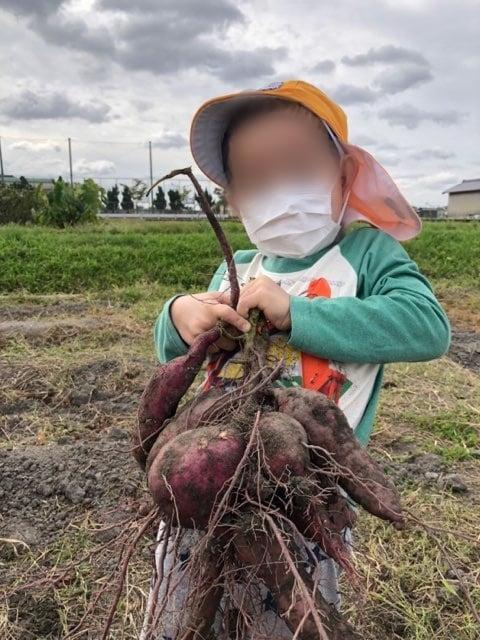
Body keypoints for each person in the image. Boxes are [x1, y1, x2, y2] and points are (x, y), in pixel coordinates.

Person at [141, 79, 451, 639]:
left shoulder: (367, 252)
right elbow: (178, 350)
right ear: (234, 201)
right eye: (257, 180)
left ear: (344, 175)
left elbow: (426, 326)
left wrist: (297, 314)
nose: (279, 191)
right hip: (208, 480)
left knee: (296, 617)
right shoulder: (237, 265)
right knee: (184, 611)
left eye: (299, 170)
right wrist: (180, 314)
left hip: (305, 497)